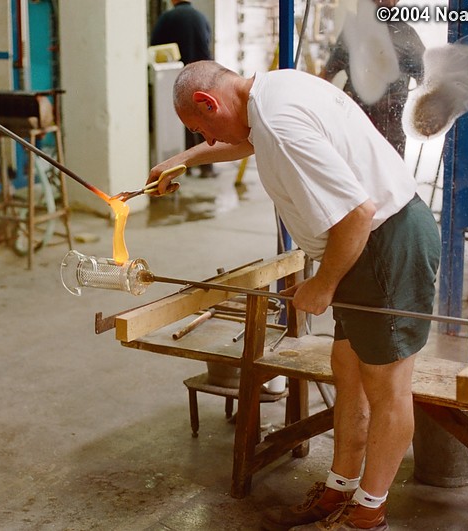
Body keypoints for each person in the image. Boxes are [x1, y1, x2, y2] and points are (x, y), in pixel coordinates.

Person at [148, 61, 440, 530]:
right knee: (348, 369)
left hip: (384, 242)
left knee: (388, 388)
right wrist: (182, 161)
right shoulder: (273, 89)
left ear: (209, 101)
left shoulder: (279, 122)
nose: (206, 139)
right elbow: (247, 140)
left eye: (201, 128)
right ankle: (339, 490)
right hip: (366, 245)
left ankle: (368, 515)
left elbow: (358, 214)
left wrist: (322, 284)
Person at [320, 0, 425, 157]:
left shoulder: (406, 35)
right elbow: (326, 75)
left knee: (388, 173)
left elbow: (426, 79)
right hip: (355, 122)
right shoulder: (353, 31)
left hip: (390, 127)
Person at [150, 0, 216, 178]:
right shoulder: (201, 17)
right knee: (205, 121)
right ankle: (207, 168)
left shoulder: (167, 18)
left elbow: (155, 48)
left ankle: (186, 166)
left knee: (187, 122)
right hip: (204, 76)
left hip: (180, 78)